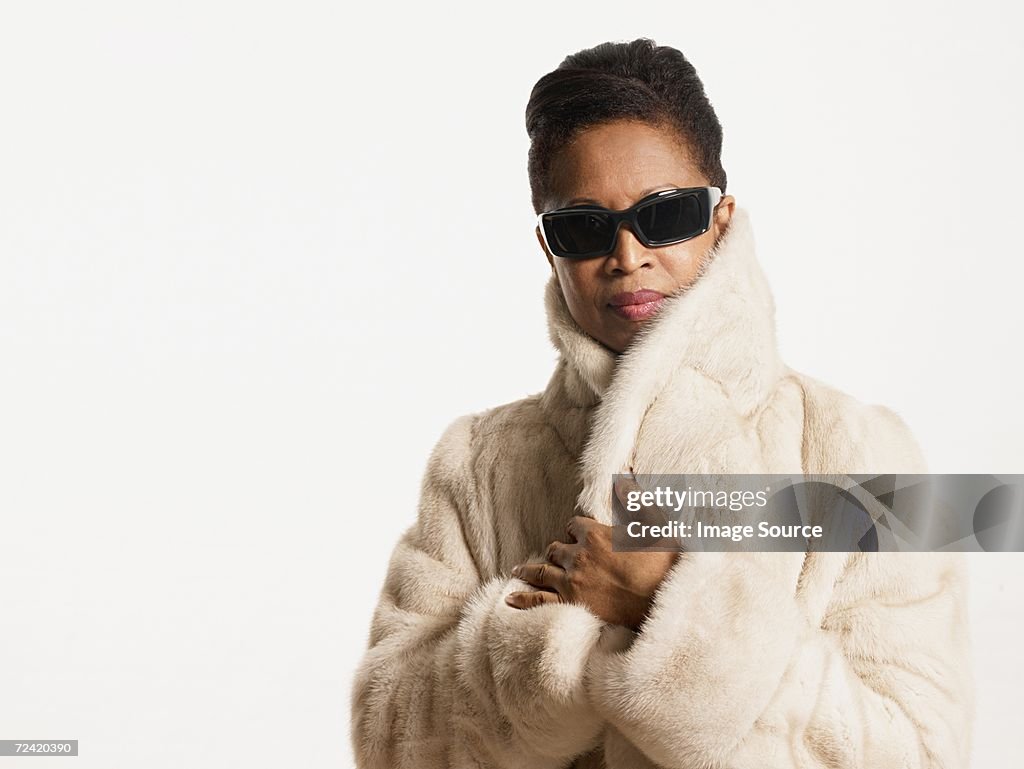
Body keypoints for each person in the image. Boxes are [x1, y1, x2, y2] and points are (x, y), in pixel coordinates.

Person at [350, 38, 974, 769]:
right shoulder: (479, 466)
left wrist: (670, 617)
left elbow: (923, 752)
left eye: (666, 213)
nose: (627, 254)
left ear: (720, 216)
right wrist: (557, 648)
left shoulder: (859, 453)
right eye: (582, 227)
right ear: (547, 248)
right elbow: (390, 741)